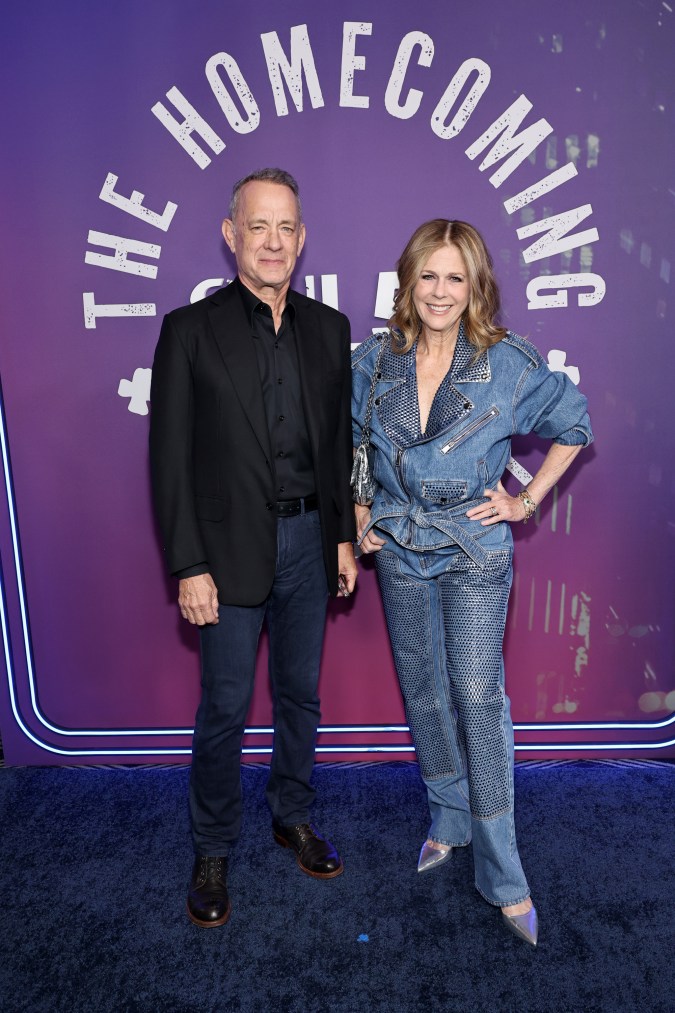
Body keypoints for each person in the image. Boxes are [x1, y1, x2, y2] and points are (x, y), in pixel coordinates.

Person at [352, 219, 593, 946]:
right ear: (408, 280)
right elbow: (356, 441)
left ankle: (502, 873)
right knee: (422, 689)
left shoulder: (507, 361)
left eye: (454, 277)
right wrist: (361, 511)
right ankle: (447, 816)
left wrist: (523, 501)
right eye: (428, 275)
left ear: (474, 286)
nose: (439, 291)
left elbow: (574, 423)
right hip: (398, 546)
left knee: (477, 698)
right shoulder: (375, 359)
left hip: (473, 549)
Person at [150, 168, 357, 928]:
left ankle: (291, 814)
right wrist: (187, 563)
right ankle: (211, 847)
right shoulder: (188, 329)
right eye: (257, 226)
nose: (272, 241)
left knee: (300, 694)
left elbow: (336, 444)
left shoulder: (330, 329)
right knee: (225, 708)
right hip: (226, 550)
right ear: (230, 233)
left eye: (286, 228)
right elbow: (168, 459)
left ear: (301, 239)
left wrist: (340, 536)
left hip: (311, 539)